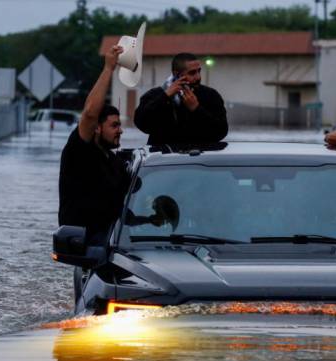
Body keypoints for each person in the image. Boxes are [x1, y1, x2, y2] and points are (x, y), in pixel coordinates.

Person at [58, 45, 131, 244]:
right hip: (87, 244)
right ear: (97, 128)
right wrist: (108, 69)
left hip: (117, 240)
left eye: (120, 125)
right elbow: (90, 113)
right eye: (114, 125)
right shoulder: (80, 151)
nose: (120, 130)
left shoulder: (115, 163)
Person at [134, 52, 228, 149]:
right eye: (192, 73)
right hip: (163, 160)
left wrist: (197, 109)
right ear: (176, 74)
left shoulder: (210, 95)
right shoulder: (154, 95)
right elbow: (141, 123)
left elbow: (221, 132)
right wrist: (165, 96)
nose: (198, 77)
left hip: (200, 160)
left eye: (199, 71)